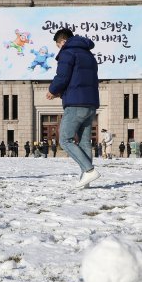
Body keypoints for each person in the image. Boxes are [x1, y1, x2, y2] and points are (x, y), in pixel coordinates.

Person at [46, 28, 100, 189]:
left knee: (65, 139)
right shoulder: (88, 54)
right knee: (84, 142)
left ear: (63, 41)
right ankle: (86, 180)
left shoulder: (67, 52)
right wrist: (61, 93)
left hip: (75, 104)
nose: (59, 49)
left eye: (58, 45)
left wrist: (53, 90)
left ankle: (89, 171)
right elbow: (78, 79)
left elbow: (63, 76)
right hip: (90, 103)